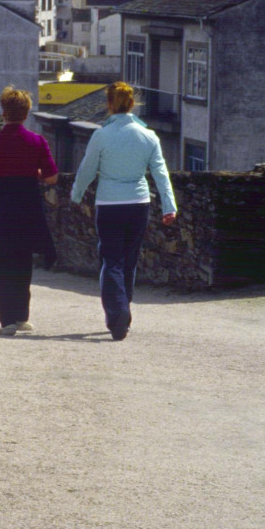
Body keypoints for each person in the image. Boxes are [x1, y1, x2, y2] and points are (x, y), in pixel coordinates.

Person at [70, 80, 177, 341]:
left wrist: (76, 194)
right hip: (139, 203)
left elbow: (87, 169)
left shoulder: (101, 135)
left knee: (111, 261)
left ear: (109, 104)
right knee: (129, 260)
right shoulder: (148, 136)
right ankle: (123, 311)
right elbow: (161, 173)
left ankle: (117, 315)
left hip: (109, 204)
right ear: (132, 104)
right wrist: (169, 205)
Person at [0, 87, 59, 337]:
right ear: (26, 113)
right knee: (22, 259)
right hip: (27, 206)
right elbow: (52, 177)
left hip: (0, 205)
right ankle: (21, 316)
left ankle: (7, 319)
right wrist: (34, 173)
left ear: (3, 112)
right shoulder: (37, 141)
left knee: (1, 262)